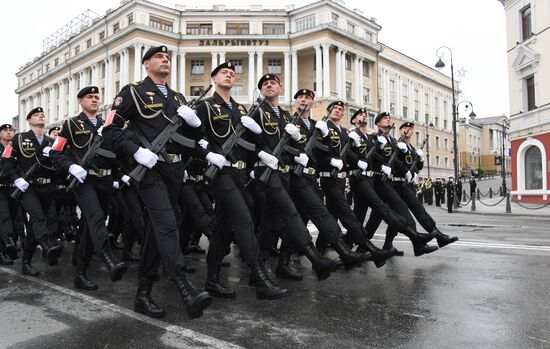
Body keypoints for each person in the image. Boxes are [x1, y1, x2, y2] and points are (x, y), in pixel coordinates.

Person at [105, 46, 216, 319]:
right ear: (146, 63)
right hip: (149, 170)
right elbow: (110, 130)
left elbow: (192, 138)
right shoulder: (133, 92)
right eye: (159, 57)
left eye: (167, 57)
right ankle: (184, 286)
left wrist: (195, 124)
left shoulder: (178, 97)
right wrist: (135, 151)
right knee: (167, 224)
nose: (165, 60)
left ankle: (142, 294)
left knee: (159, 230)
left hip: (175, 170)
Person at [50, 86, 128, 289]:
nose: (94, 100)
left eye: (96, 97)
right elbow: (56, 152)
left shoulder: (106, 125)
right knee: (96, 218)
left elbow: (115, 155)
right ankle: (109, 259)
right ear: (80, 101)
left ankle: (80, 272)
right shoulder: (70, 124)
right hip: (84, 181)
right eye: (89, 97)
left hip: (105, 181)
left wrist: (121, 176)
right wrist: (71, 167)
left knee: (88, 227)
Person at [2, 107, 63, 275]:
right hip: (28, 187)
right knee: (37, 216)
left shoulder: (51, 142)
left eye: (42, 114)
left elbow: (59, 166)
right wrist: (16, 178)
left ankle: (26, 262)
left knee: (33, 224)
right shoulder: (19, 138)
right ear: (28, 120)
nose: (41, 116)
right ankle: (47, 244)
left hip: (47, 188)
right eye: (36, 115)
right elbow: (6, 161)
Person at [0, 123, 18, 264]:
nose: (9, 132)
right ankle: (2, 251)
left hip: (13, 188)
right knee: (3, 217)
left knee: (13, 217)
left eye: (11, 130)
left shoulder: (15, 149)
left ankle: (10, 245)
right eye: (5, 130)